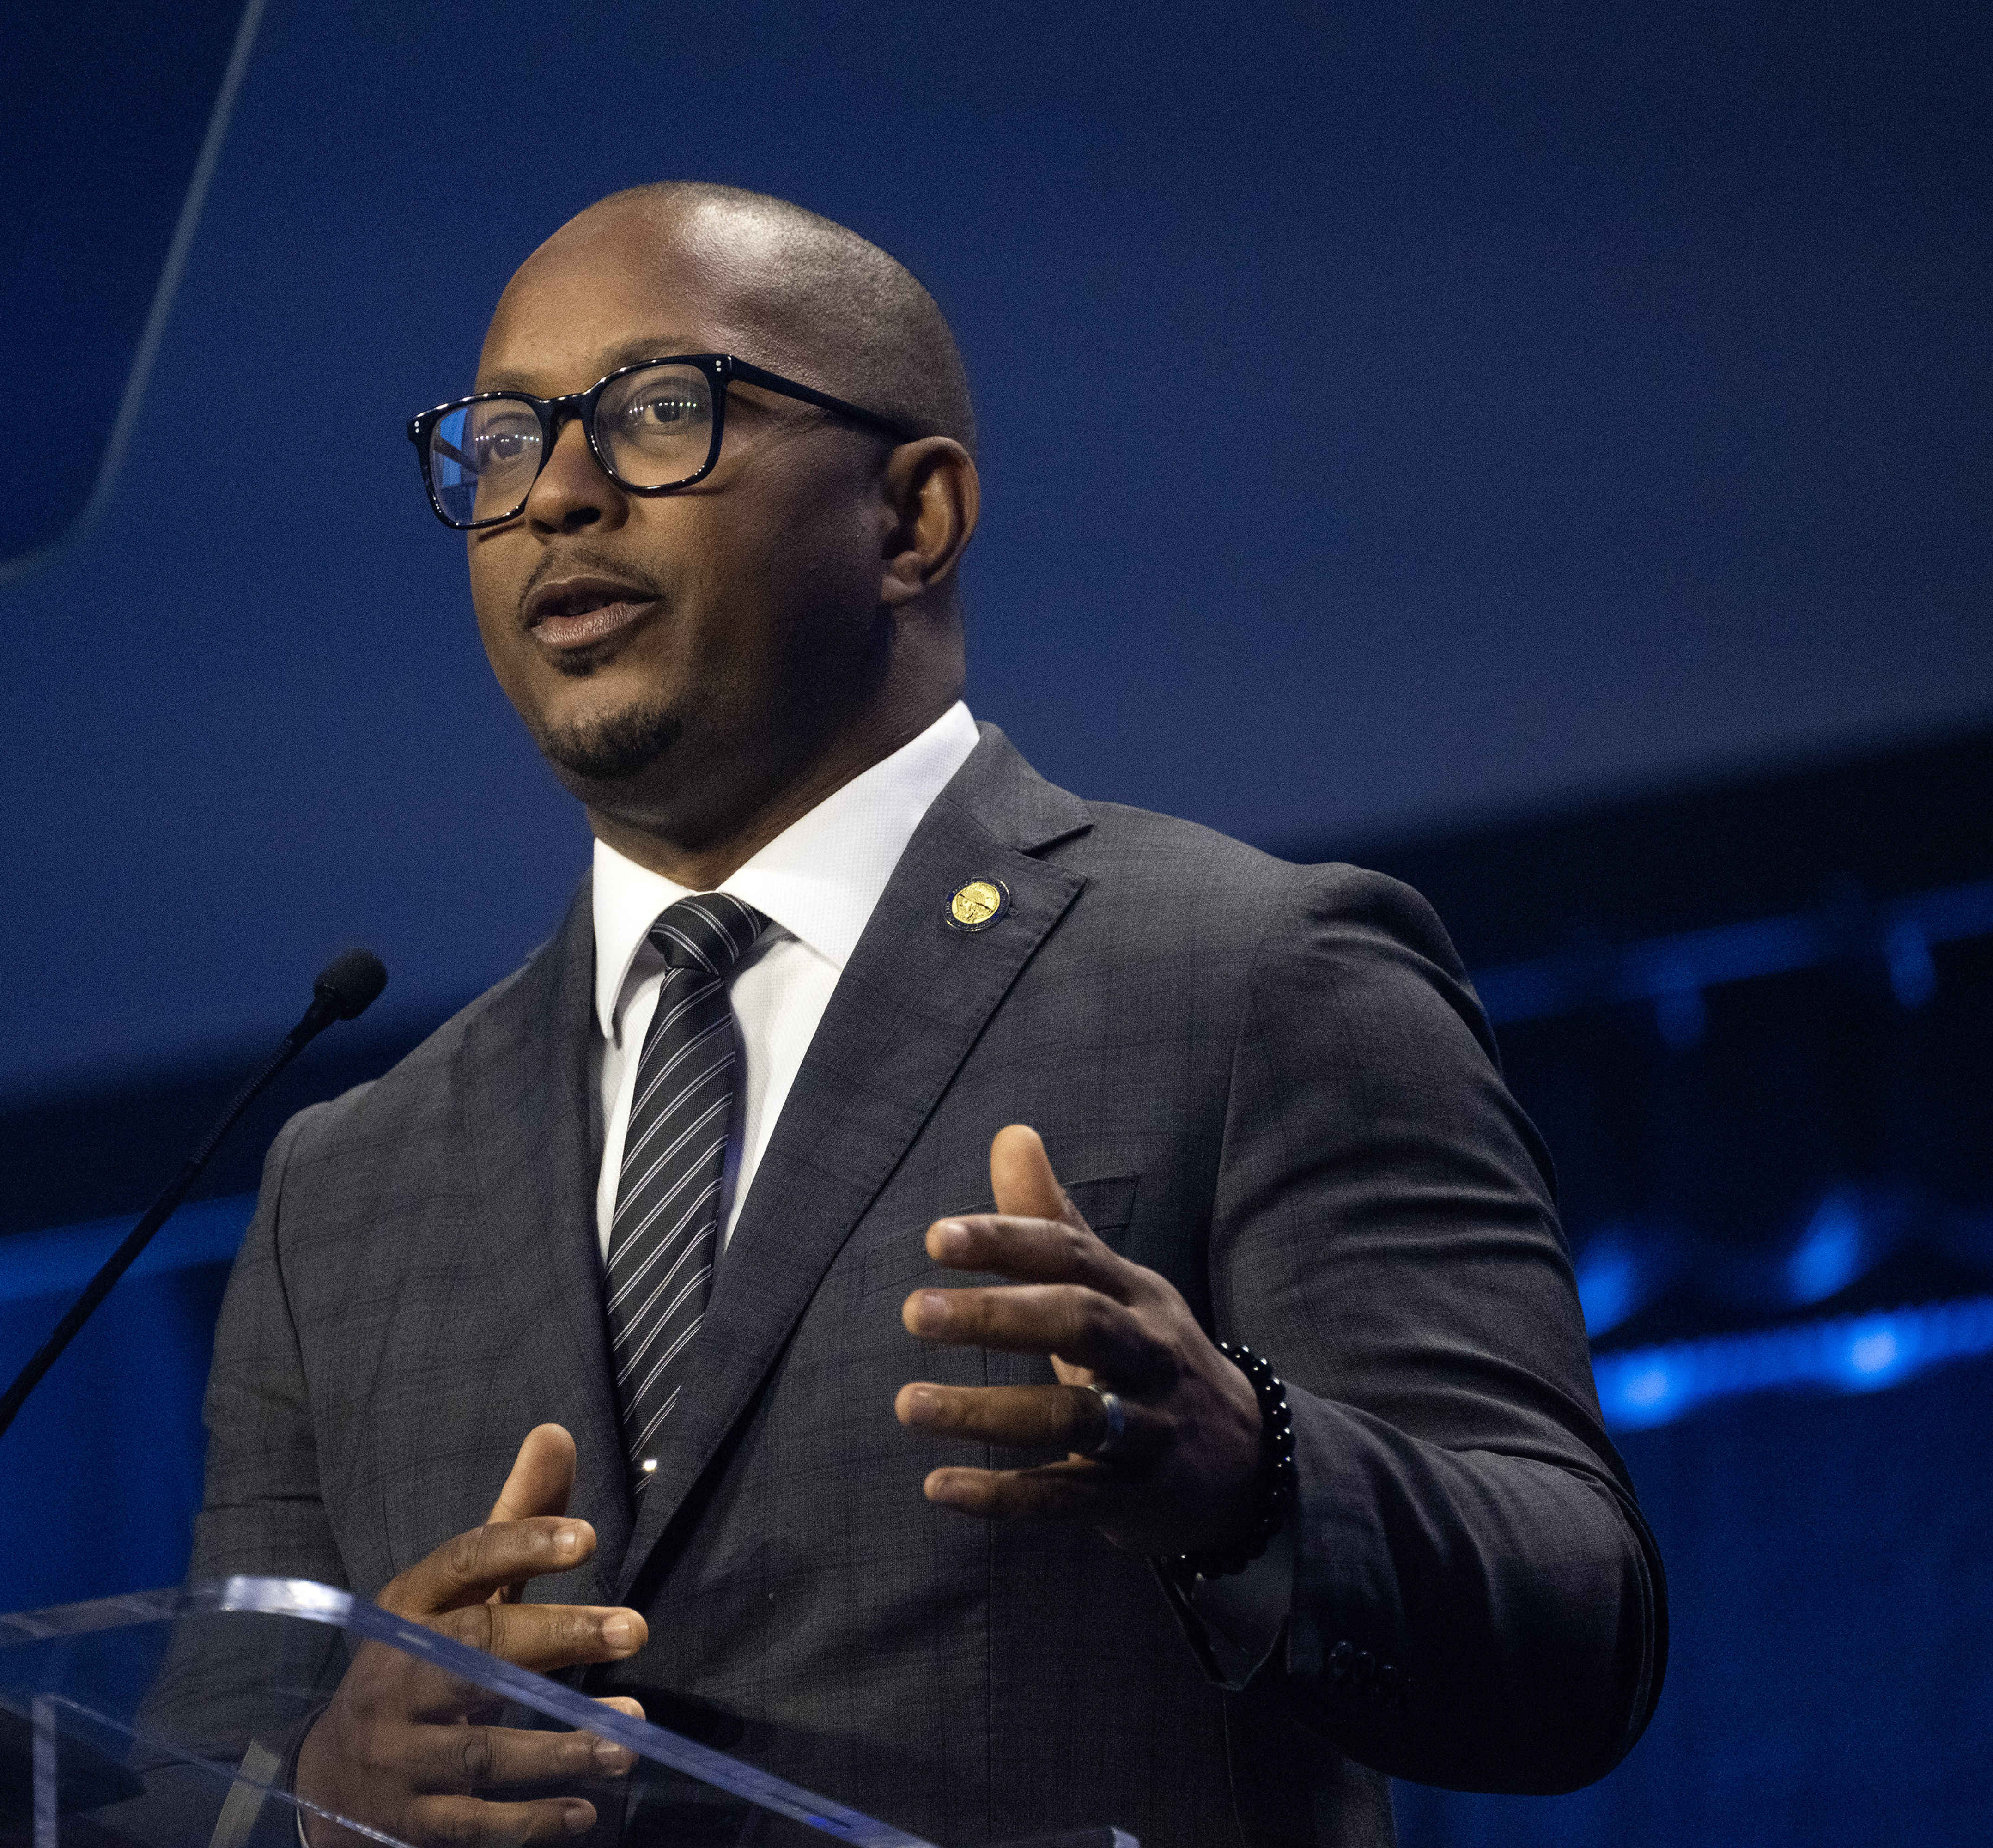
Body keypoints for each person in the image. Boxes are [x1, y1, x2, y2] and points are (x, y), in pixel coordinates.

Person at [185, 182, 1665, 1848]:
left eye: (661, 412)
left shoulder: (1255, 972)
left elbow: (1577, 1631)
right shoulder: (351, 1182)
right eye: (505, 440)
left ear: (914, 519)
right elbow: (189, 1783)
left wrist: (1243, 1463)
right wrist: (321, 1801)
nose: (562, 495)